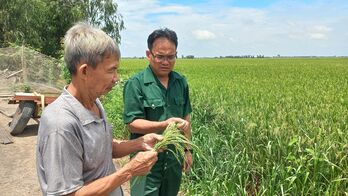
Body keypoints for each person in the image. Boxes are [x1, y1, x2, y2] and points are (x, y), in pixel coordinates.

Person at [36, 22, 163, 196]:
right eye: (111, 71)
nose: (116, 78)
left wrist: (140, 143)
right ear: (85, 71)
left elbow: (101, 149)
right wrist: (129, 171)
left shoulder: (93, 102)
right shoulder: (61, 124)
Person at [123, 28, 193, 196]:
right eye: (160, 56)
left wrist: (187, 151)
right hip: (146, 161)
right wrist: (164, 124)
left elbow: (186, 119)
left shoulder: (180, 82)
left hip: (173, 160)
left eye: (171, 57)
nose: (166, 62)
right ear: (149, 54)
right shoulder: (136, 83)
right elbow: (132, 124)